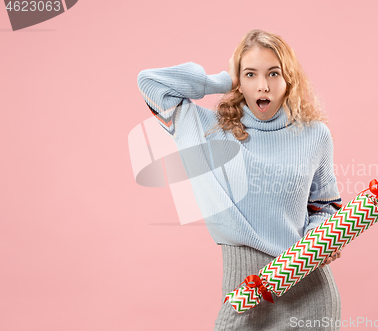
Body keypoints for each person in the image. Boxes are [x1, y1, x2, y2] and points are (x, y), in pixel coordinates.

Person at [137, 29, 343, 330]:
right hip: (245, 291)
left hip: (309, 290)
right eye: (250, 74)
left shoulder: (315, 135)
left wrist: (321, 239)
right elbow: (150, 83)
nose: (263, 86)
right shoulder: (207, 129)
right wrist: (221, 80)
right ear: (239, 80)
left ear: (289, 79)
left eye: (274, 73)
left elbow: (325, 205)